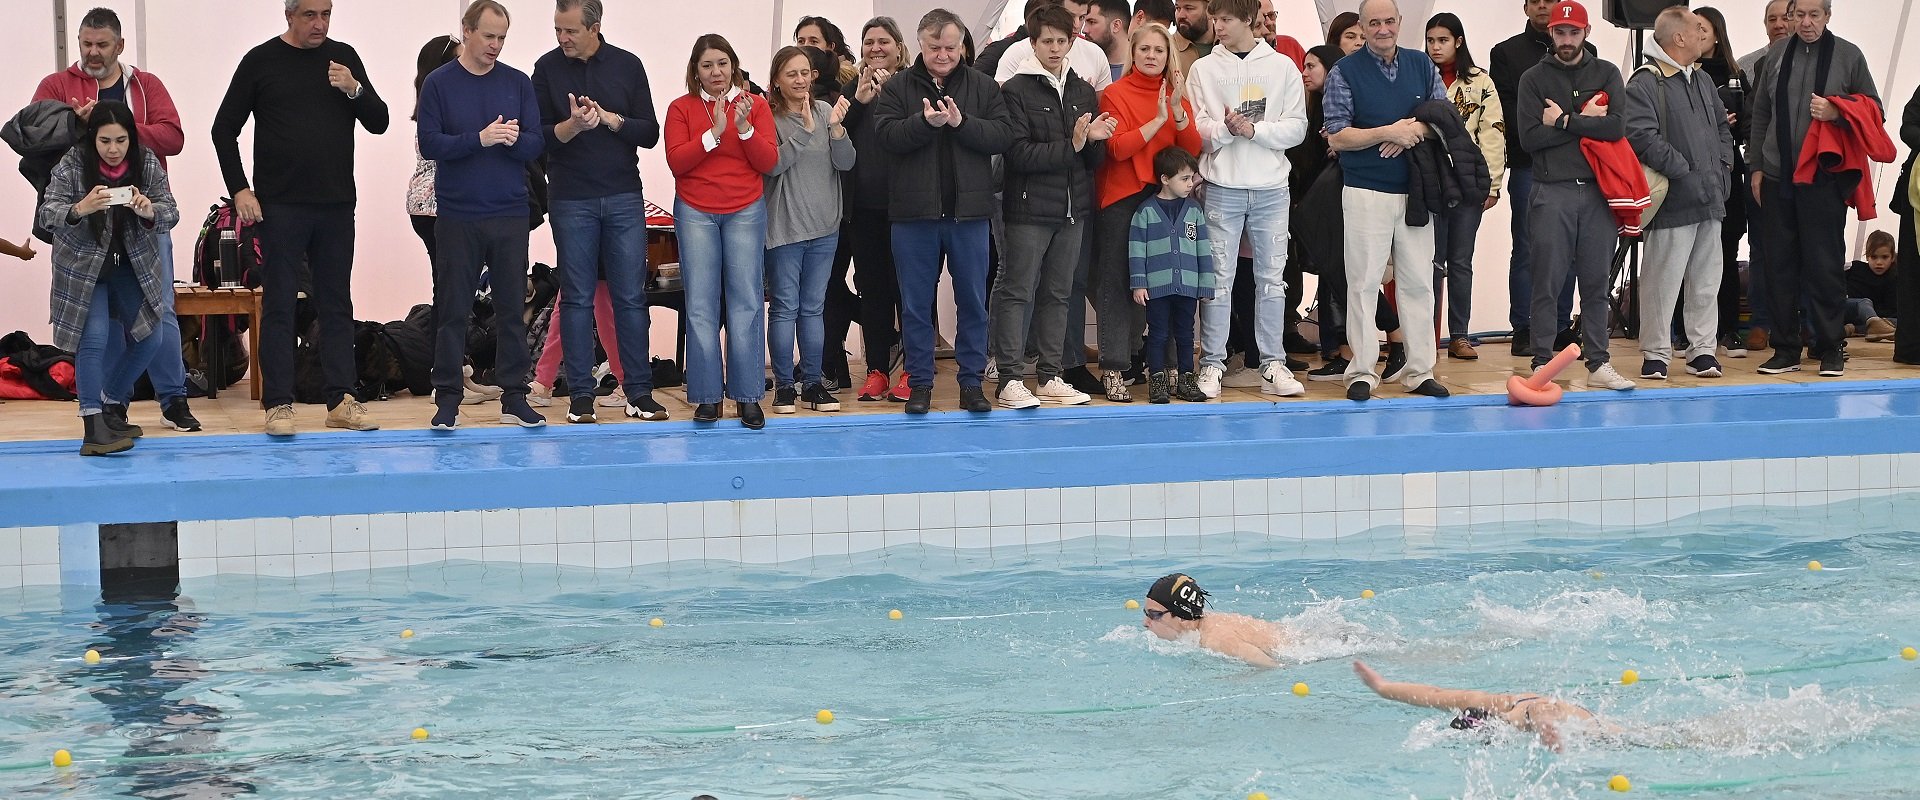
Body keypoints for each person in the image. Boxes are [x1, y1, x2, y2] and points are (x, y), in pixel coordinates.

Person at [211, 0, 388, 436]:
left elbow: (380, 122)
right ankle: (278, 404)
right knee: (279, 304)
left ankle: (342, 399)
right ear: (289, 15)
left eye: (326, 14)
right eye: (310, 15)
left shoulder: (343, 58)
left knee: (336, 303)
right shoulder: (261, 61)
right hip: (281, 207)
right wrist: (240, 189)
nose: (319, 23)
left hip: (336, 205)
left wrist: (354, 89)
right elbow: (223, 128)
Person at [34, 7, 198, 434]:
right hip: (85, 238)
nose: (92, 52)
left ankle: (172, 396)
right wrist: (74, 126)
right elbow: (32, 135)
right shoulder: (57, 86)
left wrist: (123, 128)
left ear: (120, 46)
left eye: (102, 45)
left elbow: (174, 137)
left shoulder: (145, 87)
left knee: (158, 316)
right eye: (86, 44)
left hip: (138, 234)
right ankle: (107, 408)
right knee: (97, 330)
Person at [532, 0, 668, 424]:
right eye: (558, 29)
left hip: (623, 194)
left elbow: (650, 132)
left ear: (595, 28)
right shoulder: (546, 68)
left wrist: (612, 120)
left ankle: (639, 392)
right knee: (576, 298)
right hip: (570, 198)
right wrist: (571, 126)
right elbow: (535, 137)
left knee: (631, 297)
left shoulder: (628, 65)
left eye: (570, 30)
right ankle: (580, 397)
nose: (562, 38)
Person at [873, 9, 1013, 416]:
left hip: (969, 215)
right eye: (935, 47)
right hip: (913, 215)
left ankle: (971, 383)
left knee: (973, 302)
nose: (943, 54)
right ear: (920, 44)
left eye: (951, 47)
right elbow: (885, 136)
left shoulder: (983, 86)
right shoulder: (898, 87)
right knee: (916, 305)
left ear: (962, 45)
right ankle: (919, 383)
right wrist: (923, 123)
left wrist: (960, 122)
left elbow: (1003, 134)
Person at [418, 0, 547, 431]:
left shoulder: (517, 82)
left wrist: (512, 140)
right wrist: (480, 139)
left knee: (511, 309)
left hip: (509, 212)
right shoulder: (439, 83)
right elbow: (430, 143)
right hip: (458, 215)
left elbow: (536, 143)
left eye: (502, 38)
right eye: (489, 36)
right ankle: (447, 399)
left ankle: (514, 397)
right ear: (467, 30)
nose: (495, 45)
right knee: (453, 309)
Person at [1325, 0, 1451, 402]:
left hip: (1416, 192)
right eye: (1374, 23)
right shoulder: (1344, 71)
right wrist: (1386, 132)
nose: (1383, 29)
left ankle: (1420, 371)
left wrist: (1410, 131)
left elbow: (1444, 117)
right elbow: (1337, 135)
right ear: (1362, 27)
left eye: (1389, 21)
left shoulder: (1422, 64)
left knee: (1419, 284)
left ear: (1400, 23)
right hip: (1365, 191)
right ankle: (1361, 371)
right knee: (1363, 283)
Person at [1748, 0, 1880, 379]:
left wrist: (1838, 113)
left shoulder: (1849, 56)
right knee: (1779, 266)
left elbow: (1875, 109)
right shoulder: (1775, 56)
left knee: (1825, 266)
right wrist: (1757, 166)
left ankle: (1830, 347)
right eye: (1799, 15)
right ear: (1790, 17)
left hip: (1823, 178)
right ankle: (1785, 349)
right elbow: (1762, 113)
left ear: (1827, 16)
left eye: (1814, 15)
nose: (1806, 22)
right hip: (1776, 176)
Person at [37, 101, 177, 455]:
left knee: (151, 335)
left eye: (121, 140)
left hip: (130, 265)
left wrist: (149, 211)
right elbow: (47, 213)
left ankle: (111, 404)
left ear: (131, 138)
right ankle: (92, 424)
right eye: (104, 141)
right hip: (83, 268)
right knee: (95, 338)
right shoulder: (72, 163)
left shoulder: (145, 162)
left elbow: (171, 210)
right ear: (92, 139)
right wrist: (79, 209)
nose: (113, 150)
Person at [992, 4, 1112, 410]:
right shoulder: (1015, 89)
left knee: (1059, 294)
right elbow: (1018, 154)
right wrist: (1073, 144)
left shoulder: (1081, 89)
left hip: (1072, 208)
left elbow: (1090, 162)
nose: (1055, 48)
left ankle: (1050, 375)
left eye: (1062, 41)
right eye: (1047, 41)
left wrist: (1095, 141)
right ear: (1033, 43)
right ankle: (1009, 378)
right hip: (1028, 209)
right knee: (1018, 291)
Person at [1187, 0, 1308, 401]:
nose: (1218, 26)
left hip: (1271, 187)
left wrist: (1255, 131)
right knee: (1218, 279)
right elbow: (1197, 130)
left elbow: (1297, 128)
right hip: (1222, 185)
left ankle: (1273, 363)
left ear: (1247, 20)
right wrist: (1226, 129)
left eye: (1225, 19)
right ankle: (1212, 363)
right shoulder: (1204, 69)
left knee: (1272, 280)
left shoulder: (1282, 67)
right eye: (1215, 19)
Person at [1514, 0, 1634, 391]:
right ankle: (1541, 361)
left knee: (1596, 282)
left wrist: (1564, 120)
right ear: (1550, 33)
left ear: (1586, 32)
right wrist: (1586, 122)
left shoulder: (1607, 72)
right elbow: (1530, 138)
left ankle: (1599, 362)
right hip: (1552, 190)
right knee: (1546, 281)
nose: (1567, 40)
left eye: (1574, 32)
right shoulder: (1533, 78)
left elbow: (1616, 129)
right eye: (1560, 32)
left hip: (1598, 192)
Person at [665, 34, 779, 429]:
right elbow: (678, 162)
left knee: (747, 300)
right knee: (700, 303)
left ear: (734, 66)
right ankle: (707, 396)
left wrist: (743, 129)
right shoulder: (681, 108)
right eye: (707, 65)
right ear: (695, 71)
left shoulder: (755, 105)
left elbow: (769, 161)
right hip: (695, 209)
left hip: (745, 207)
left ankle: (748, 396)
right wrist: (714, 132)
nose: (716, 72)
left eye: (722, 63)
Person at [1093, 21, 1202, 403]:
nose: (1152, 56)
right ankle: (1113, 368)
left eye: (1159, 50)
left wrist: (1177, 112)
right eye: (1145, 49)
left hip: (1165, 197)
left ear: (1169, 56)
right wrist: (1157, 120)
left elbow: (1191, 149)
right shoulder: (1115, 93)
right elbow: (1116, 148)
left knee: (1167, 282)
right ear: (1133, 53)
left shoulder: (1175, 94)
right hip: (1122, 197)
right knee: (1117, 283)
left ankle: (1170, 368)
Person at [1625, 7, 1734, 382]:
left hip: (1710, 197)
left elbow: (1721, 127)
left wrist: (1723, 167)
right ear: (1679, 38)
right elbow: (1641, 135)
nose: (1703, 35)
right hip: (1673, 199)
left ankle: (1702, 351)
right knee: (1662, 279)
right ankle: (1655, 353)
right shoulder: (1645, 81)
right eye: (1697, 29)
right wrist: (1684, 170)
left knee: (1707, 280)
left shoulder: (1701, 79)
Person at [764, 47, 855, 415]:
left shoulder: (824, 111)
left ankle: (813, 383)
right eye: (792, 74)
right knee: (785, 308)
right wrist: (803, 132)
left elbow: (846, 162)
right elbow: (772, 166)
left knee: (814, 309)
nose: (801, 80)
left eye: (806, 73)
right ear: (776, 81)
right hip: (785, 229)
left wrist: (837, 130)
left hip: (825, 227)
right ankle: (785, 386)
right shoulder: (768, 118)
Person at [1491, 0, 1585, 357]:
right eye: (1536, 0)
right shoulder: (1506, 53)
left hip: (1575, 166)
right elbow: (1512, 115)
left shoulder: (1587, 52)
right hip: (1528, 163)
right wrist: (1564, 127)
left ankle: (1560, 325)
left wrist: (1563, 124)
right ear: (1526, 7)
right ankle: (1525, 326)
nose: (1544, 5)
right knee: (1529, 247)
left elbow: (1592, 112)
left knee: (1569, 249)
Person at [1427, 13, 1505, 362]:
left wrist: (1492, 184)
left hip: (1468, 183)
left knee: (1460, 261)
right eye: (1430, 40)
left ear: (1458, 41)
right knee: (1428, 262)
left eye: (1443, 40)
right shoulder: (1419, 75)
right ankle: (1425, 336)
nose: (1435, 47)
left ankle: (1459, 335)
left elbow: (1493, 132)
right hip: (1429, 182)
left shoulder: (1480, 82)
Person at [843, 18, 910, 404]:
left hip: (907, 209)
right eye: (869, 42)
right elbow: (837, 133)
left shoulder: (912, 86)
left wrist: (890, 98)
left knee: (910, 291)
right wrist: (860, 101)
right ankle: (877, 370)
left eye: (884, 41)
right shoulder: (852, 89)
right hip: (863, 208)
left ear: (899, 47)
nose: (876, 48)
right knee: (872, 292)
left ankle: (915, 369)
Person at [1352, 660, 1610, 751]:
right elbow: (1433, 694)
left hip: (1610, 735)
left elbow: (1542, 709)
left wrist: (1546, 726)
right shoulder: (1491, 703)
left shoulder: (1524, 713)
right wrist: (1382, 687)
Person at [1694, 6, 1755, 358]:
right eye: (1692, 28)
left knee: (1726, 252)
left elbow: (1749, 124)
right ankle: (1686, 332)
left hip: (1728, 171)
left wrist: (1731, 123)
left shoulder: (1735, 75)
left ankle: (1728, 329)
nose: (1696, 34)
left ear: (1717, 34)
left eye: (1703, 28)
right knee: (1690, 254)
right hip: (1692, 173)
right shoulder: (1681, 73)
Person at [1131, 147, 1213, 404]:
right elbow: (1136, 250)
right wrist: (1139, 284)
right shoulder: (1145, 211)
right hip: (1156, 289)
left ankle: (1187, 381)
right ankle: (1157, 383)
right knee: (1157, 335)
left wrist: (1206, 284)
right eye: (1184, 178)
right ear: (1165, 179)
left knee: (1186, 336)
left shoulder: (1194, 211)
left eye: (1192, 178)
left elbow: (1203, 250)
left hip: (1187, 287)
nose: (1190, 184)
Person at [1735, 0, 1793, 355]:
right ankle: (1761, 321)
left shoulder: (1819, 61)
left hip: (1803, 172)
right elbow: (1748, 118)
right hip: (1759, 168)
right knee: (1760, 247)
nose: (1779, 24)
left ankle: (1801, 321)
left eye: (1785, 17)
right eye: (1772, 19)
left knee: (1801, 248)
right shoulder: (1748, 65)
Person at [1139, 573, 1294, 668]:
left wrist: (1234, 681)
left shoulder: (1217, 639)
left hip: (1294, 648)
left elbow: (1272, 665)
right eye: (1146, 613)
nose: (1145, 622)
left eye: (1154, 615)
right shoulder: (1199, 625)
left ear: (1183, 618)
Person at [990, 0, 1115, 91]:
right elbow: (1002, 106)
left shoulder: (1096, 54)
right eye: (1070, 16)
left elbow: (1101, 110)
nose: (1077, 25)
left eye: (1082, 17)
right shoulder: (1016, 53)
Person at [1844, 229, 1897, 340]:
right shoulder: (1855, 268)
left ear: (1892, 257)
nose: (1879, 262)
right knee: (1864, 302)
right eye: (1874, 257)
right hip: (1850, 310)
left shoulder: (1893, 278)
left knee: (1903, 321)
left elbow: (1892, 310)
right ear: (1867, 256)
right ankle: (1872, 326)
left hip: (1872, 318)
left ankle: (1854, 329)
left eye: (1884, 257)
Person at [795, 16, 859, 88]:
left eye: (813, 41)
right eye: (801, 41)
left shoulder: (849, 84)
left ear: (830, 46)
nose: (806, 46)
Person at [1084, 0, 1132, 83]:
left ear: (1116, 26)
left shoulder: (1143, 70)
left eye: (1092, 22)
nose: (1084, 30)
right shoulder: (1082, 64)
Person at [1170, 0, 1214, 80]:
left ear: (1210, 11)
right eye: (1178, 8)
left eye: (1189, 8)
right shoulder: (1165, 48)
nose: (1180, 15)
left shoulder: (1230, 45)